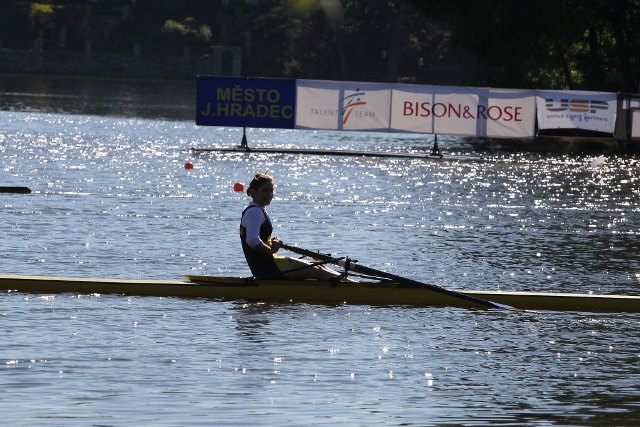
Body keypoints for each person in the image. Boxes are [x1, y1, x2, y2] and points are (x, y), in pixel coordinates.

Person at [240, 172, 349, 281]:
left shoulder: (257, 210)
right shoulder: (255, 212)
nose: (269, 194)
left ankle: (351, 284)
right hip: (268, 268)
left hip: (268, 265)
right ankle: (354, 288)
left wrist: (271, 243)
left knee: (319, 265)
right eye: (265, 190)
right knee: (318, 271)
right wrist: (272, 249)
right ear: (253, 192)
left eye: (271, 190)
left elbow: (256, 240)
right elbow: (252, 241)